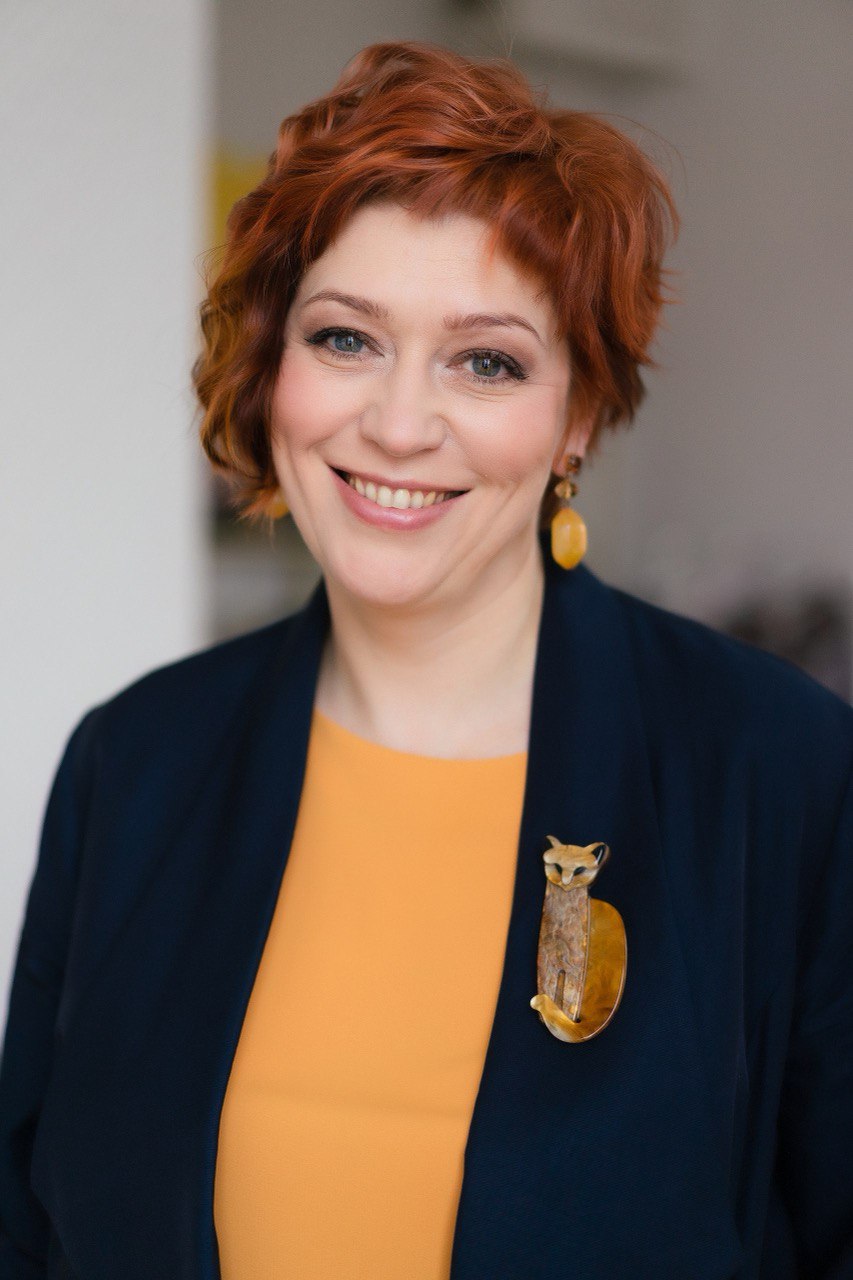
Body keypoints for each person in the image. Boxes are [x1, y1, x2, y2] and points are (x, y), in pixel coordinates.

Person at [1, 39, 851, 1280]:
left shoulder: (778, 767)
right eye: (345, 338)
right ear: (273, 368)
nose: (398, 423)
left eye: (485, 360)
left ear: (575, 414)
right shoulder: (131, 761)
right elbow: (28, 1228)